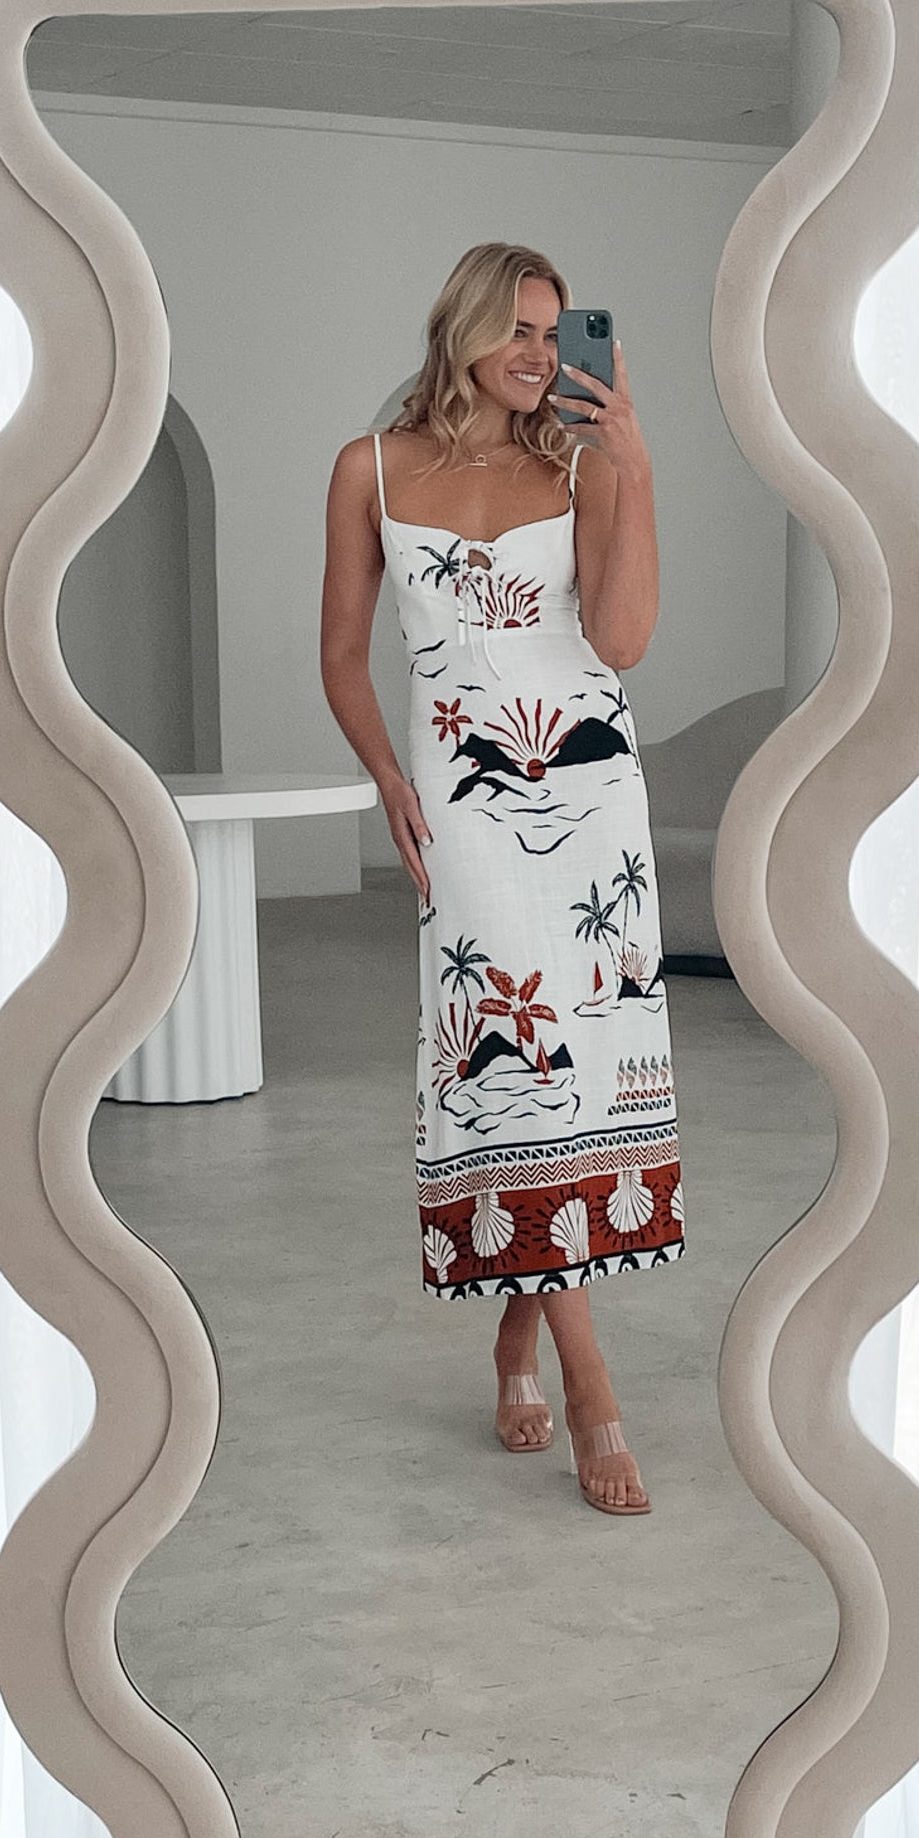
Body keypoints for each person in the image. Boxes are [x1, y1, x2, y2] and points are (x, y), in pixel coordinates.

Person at [320, 242, 685, 1516]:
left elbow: (623, 641)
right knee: (510, 1068)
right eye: (518, 330)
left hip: (590, 812)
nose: (539, 353)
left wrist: (631, 467)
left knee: (566, 1082)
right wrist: (388, 776)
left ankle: (523, 1339)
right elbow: (344, 657)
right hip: (464, 815)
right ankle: (592, 1380)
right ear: (464, 327)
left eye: (554, 332)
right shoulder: (368, 471)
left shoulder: (582, 463)